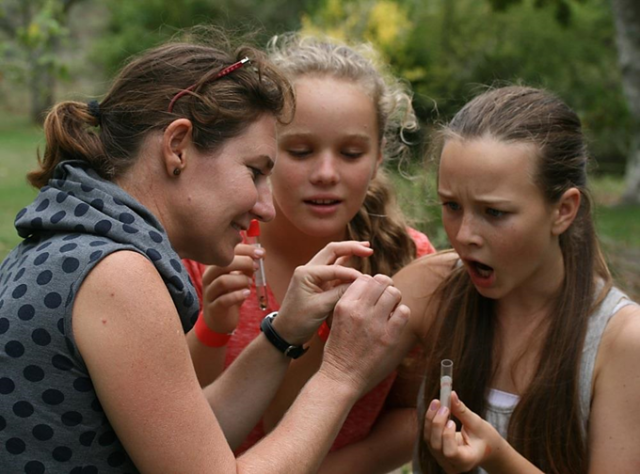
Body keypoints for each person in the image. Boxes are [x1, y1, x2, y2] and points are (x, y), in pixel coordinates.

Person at [0, 30, 412, 473]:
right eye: (255, 171)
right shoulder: (116, 273)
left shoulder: (74, 241)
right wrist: (342, 375)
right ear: (177, 146)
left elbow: (189, 441)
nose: (266, 207)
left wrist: (284, 333)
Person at [183, 34, 436, 473]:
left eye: (352, 153)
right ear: (264, 152)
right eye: (300, 151)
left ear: (378, 159)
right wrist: (212, 329)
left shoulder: (409, 259)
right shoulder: (209, 254)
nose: (326, 174)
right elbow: (174, 421)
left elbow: (413, 413)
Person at [389, 86, 640, 473]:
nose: (465, 234)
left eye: (494, 212)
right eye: (452, 206)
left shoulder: (619, 340)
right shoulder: (432, 287)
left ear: (563, 210)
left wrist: (498, 458)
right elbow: (331, 395)